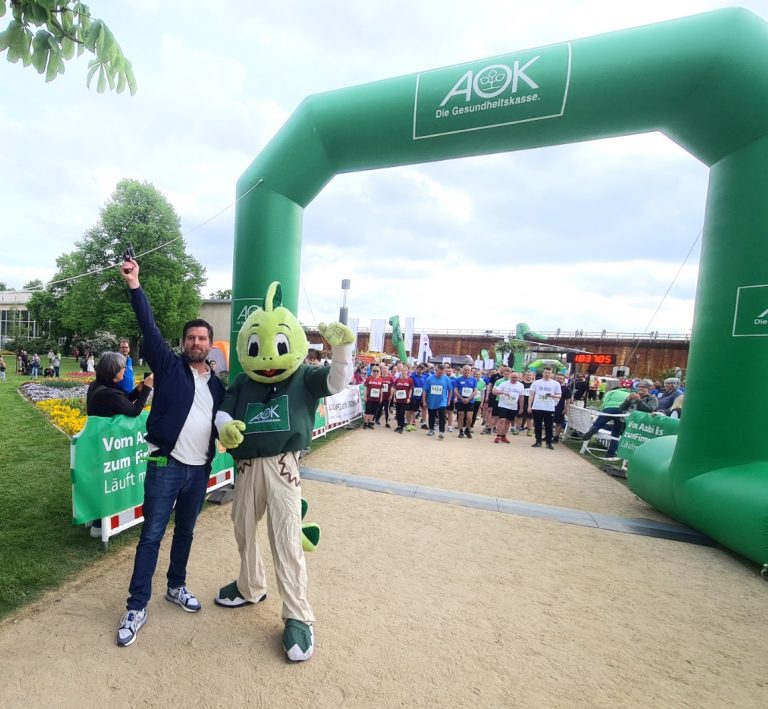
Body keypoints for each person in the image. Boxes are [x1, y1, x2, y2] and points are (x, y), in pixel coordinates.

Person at [116, 257, 225, 648]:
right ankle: (136, 605)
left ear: (210, 345)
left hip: (200, 472)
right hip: (165, 465)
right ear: (183, 344)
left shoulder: (217, 385)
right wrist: (135, 285)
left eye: (202, 338)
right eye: (191, 338)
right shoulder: (167, 365)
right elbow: (148, 324)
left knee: (187, 532)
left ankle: (176, 586)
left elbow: (223, 420)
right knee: (151, 536)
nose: (196, 343)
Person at [86, 352, 154, 538]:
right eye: (123, 367)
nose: (126, 370)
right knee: (108, 482)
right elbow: (133, 410)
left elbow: (122, 402)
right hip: (108, 446)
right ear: (115, 371)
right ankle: (99, 525)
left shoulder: (99, 386)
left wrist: (138, 390)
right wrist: (147, 389)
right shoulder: (109, 393)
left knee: (98, 480)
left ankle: (93, 518)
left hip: (98, 442)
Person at [529, 367, 562, 449]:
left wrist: (552, 395)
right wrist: (530, 406)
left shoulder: (555, 384)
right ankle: (538, 441)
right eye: (545, 372)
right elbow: (531, 395)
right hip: (537, 407)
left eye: (549, 373)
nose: (547, 374)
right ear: (543, 373)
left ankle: (548, 442)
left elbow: (559, 395)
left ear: (551, 374)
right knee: (537, 425)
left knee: (549, 426)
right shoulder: (536, 383)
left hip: (549, 408)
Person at [492, 369, 524, 443]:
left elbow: (521, 397)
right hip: (503, 405)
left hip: (513, 406)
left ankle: (503, 436)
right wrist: (503, 392)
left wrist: (521, 408)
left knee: (508, 421)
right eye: (513, 377)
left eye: (516, 378)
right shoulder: (504, 384)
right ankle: (498, 436)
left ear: (518, 378)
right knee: (502, 420)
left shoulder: (521, 385)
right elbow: (494, 392)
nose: (514, 379)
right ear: (510, 377)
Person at [423, 363, 453, 439]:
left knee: (442, 415)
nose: (441, 374)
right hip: (432, 400)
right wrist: (424, 401)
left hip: (442, 401)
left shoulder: (446, 379)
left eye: (442, 373)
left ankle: (441, 432)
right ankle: (431, 429)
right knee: (431, 415)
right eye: (439, 372)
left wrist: (448, 400)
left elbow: (450, 390)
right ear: (436, 370)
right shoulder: (429, 379)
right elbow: (425, 391)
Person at [454, 365, 477, 439]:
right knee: (461, 415)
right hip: (460, 401)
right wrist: (461, 398)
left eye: (468, 370)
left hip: (470, 401)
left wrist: (469, 399)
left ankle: (467, 429)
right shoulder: (458, 379)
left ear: (470, 371)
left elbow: (475, 391)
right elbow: (456, 390)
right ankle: (461, 431)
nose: (466, 371)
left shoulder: (473, 380)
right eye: (465, 370)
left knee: (469, 417)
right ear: (462, 371)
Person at [392, 366, 414, 433]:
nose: (404, 372)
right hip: (398, 399)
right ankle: (398, 426)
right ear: (401, 371)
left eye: (405, 371)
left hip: (405, 400)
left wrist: (409, 398)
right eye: (402, 371)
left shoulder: (410, 380)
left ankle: (401, 427)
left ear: (407, 372)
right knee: (398, 413)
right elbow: (395, 389)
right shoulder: (397, 380)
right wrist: (394, 397)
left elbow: (410, 390)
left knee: (402, 413)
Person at [362, 365, 384, 429]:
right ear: (372, 371)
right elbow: (365, 388)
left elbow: (381, 390)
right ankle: (365, 423)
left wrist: (381, 398)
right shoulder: (369, 379)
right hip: (369, 398)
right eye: (374, 371)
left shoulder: (380, 380)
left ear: (379, 372)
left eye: (377, 371)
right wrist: (365, 396)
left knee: (373, 411)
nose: (376, 372)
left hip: (377, 398)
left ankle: (370, 423)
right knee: (368, 410)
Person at [553, 373, 572, 443]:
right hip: (550, 406)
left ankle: (556, 437)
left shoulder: (566, 389)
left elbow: (568, 400)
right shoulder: (552, 386)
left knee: (558, 422)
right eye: (557, 378)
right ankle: (548, 435)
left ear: (564, 380)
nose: (559, 380)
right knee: (548, 421)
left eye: (561, 378)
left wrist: (566, 409)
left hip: (560, 407)